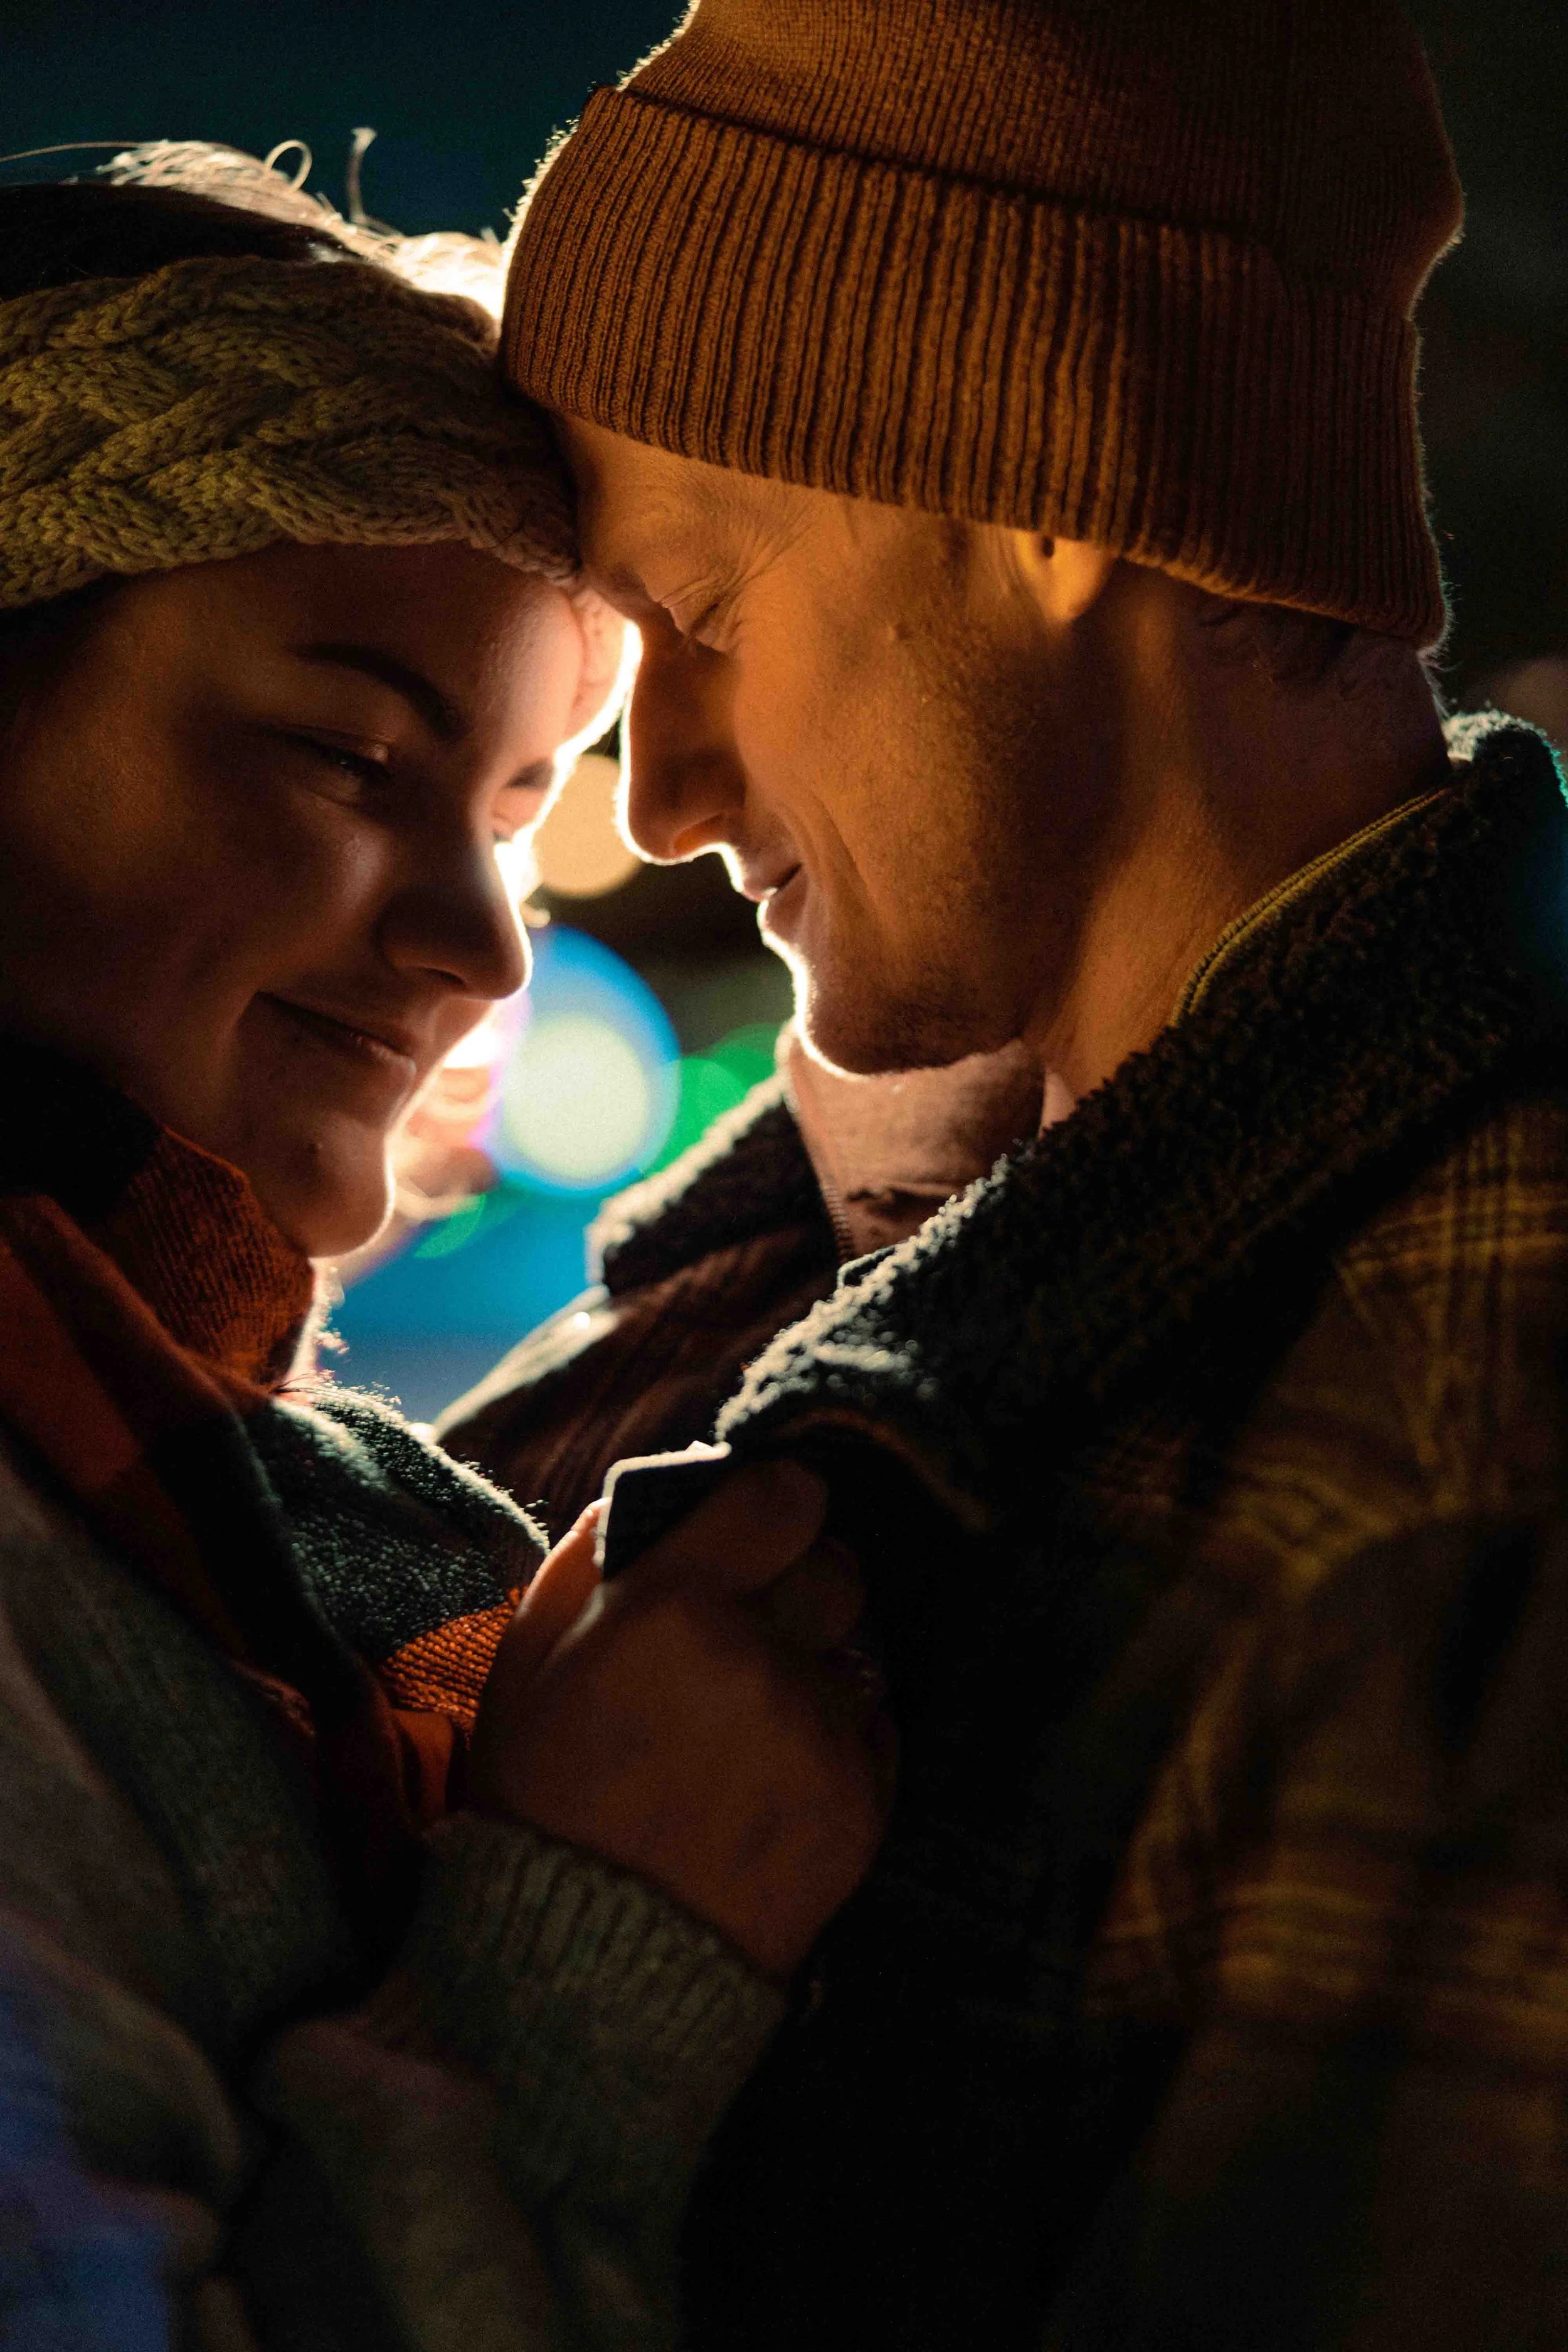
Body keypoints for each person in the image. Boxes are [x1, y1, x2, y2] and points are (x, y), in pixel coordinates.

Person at [443, 2, 1568, 2344]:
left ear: (1048, 468)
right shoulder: (862, 1268)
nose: (650, 797)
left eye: (705, 618)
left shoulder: (1464, 1463)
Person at [0, 161, 890, 2349]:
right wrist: (591, 1953)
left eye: (508, 811)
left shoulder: (181, 1487)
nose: (483, 944)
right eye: (346, 757)